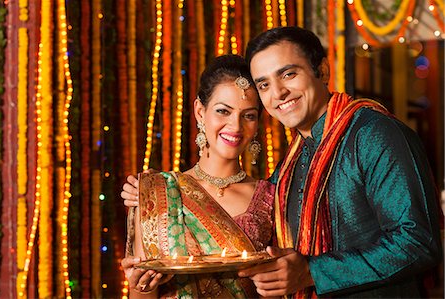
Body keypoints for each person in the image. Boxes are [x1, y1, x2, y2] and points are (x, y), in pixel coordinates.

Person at [234, 26, 442, 298]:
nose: (278, 93)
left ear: (322, 71)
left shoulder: (375, 134)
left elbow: (417, 242)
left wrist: (311, 272)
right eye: (264, 85)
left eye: (288, 74)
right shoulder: (291, 163)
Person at [123, 54, 275, 298]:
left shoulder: (271, 197)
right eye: (223, 111)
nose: (235, 126)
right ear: (200, 111)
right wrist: (140, 285)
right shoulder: (157, 191)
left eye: (248, 115)